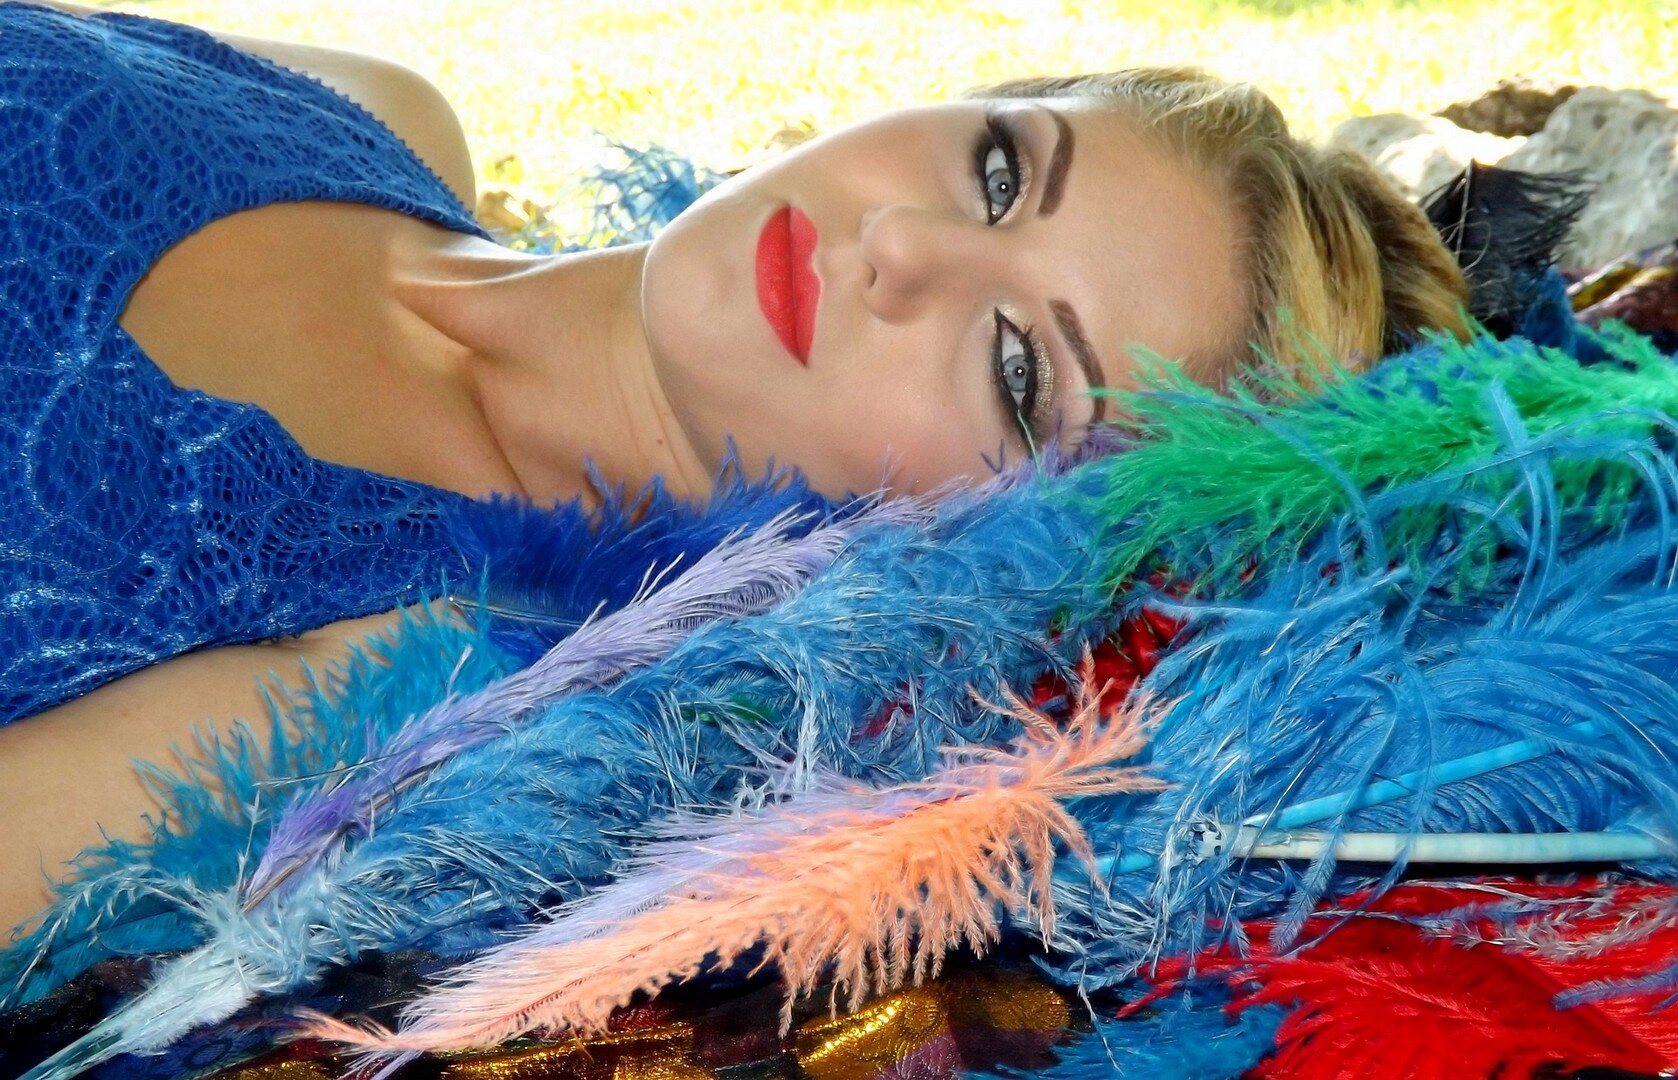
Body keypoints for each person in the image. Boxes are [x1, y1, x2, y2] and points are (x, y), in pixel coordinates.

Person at [0, 0, 1471, 936]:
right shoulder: (380, 107)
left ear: (997, 540)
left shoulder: (362, 684)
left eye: (1019, 368)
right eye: (998, 171)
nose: (899, 249)